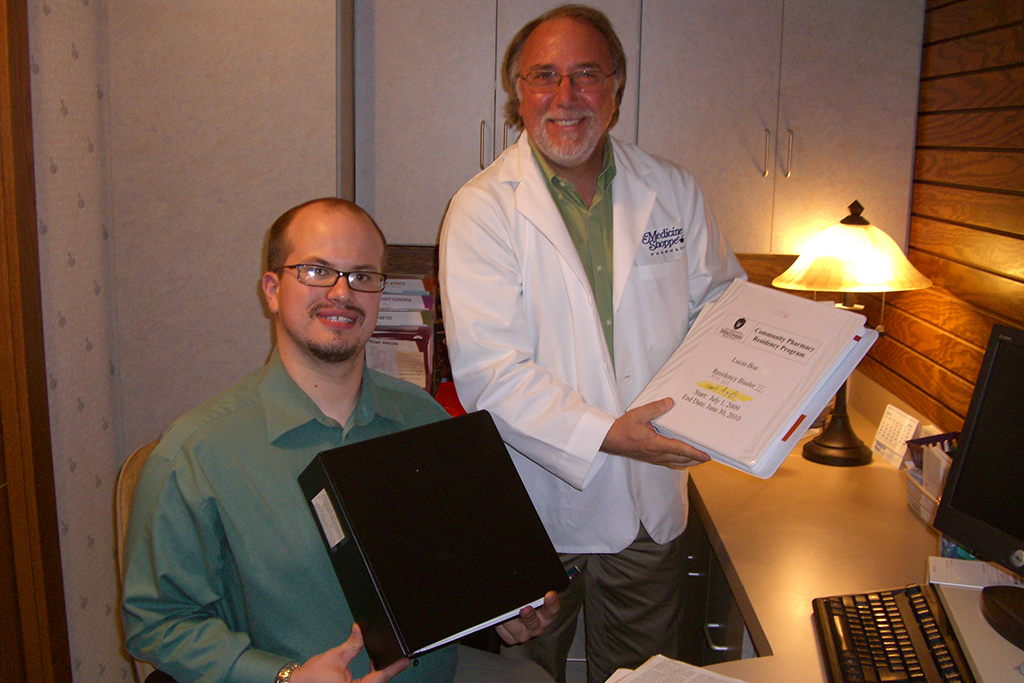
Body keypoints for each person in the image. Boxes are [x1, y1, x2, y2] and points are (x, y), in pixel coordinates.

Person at [121, 198, 559, 683]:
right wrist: (284, 677)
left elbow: (462, 566)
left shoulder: (425, 420)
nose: (342, 292)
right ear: (272, 290)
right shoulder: (198, 452)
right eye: (316, 271)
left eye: (362, 276)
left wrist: (507, 609)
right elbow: (157, 624)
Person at [438, 5, 746, 683]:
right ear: (518, 92)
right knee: (523, 676)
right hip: (534, 507)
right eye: (544, 75)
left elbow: (723, 311)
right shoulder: (482, 209)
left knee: (641, 674)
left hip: (649, 506)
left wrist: (755, 396)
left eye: (586, 74)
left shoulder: (671, 190)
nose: (566, 95)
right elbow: (492, 372)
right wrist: (610, 433)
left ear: (616, 87)